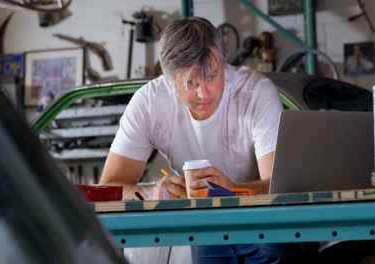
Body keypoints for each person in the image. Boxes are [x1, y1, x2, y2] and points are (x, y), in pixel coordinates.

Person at [99, 17, 293, 263]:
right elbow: (109, 188)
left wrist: (233, 191)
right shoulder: (149, 102)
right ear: (170, 79)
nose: (204, 93)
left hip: (258, 220)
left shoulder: (256, 92)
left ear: (223, 62)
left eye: (213, 75)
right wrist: (152, 194)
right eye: (191, 82)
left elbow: (279, 187)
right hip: (200, 223)